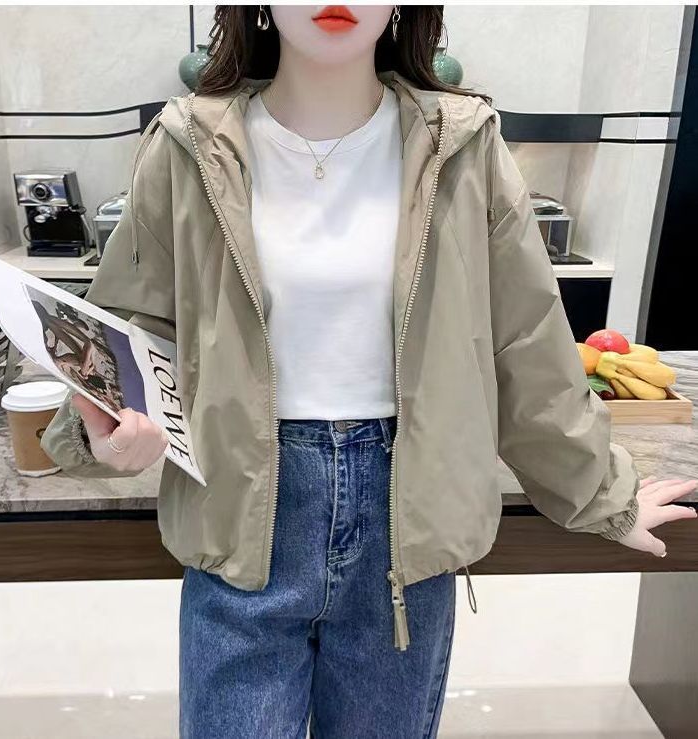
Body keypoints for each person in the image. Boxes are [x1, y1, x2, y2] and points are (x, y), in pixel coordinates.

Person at [41, 6, 697, 738]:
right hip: (237, 512)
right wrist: (104, 429)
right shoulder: (188, 144)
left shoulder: (462, 144)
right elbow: (132, 325)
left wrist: (604, 495)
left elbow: (524, 342)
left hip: (406, 520)